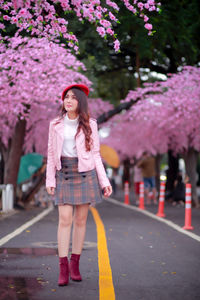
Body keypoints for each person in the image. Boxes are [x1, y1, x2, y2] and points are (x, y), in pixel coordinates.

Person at [46, 83, 112, 286]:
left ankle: (75, 264)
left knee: (81, 220)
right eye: (66, 96)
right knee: (65, 219)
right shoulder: (55, 124)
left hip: (85, 173)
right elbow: (50, 153)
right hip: (63, 173)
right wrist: (50, 179)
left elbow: (95, 154)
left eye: (73, 97)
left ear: (80, 102)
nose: (68, 100)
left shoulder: (90, 124)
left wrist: (104, 181)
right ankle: (63, 267)